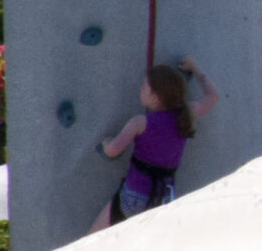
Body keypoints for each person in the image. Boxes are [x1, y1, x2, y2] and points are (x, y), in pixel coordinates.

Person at [90, 58, 217, 231]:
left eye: (145, 87)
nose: (140, 89)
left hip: (134, 199)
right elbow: (212, 97)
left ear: (156, 97)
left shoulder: (139, 123)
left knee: (93, 237)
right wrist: (196, 69)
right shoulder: (186, 115)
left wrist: (106, 143)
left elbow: (113, 150)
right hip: (162, 203)